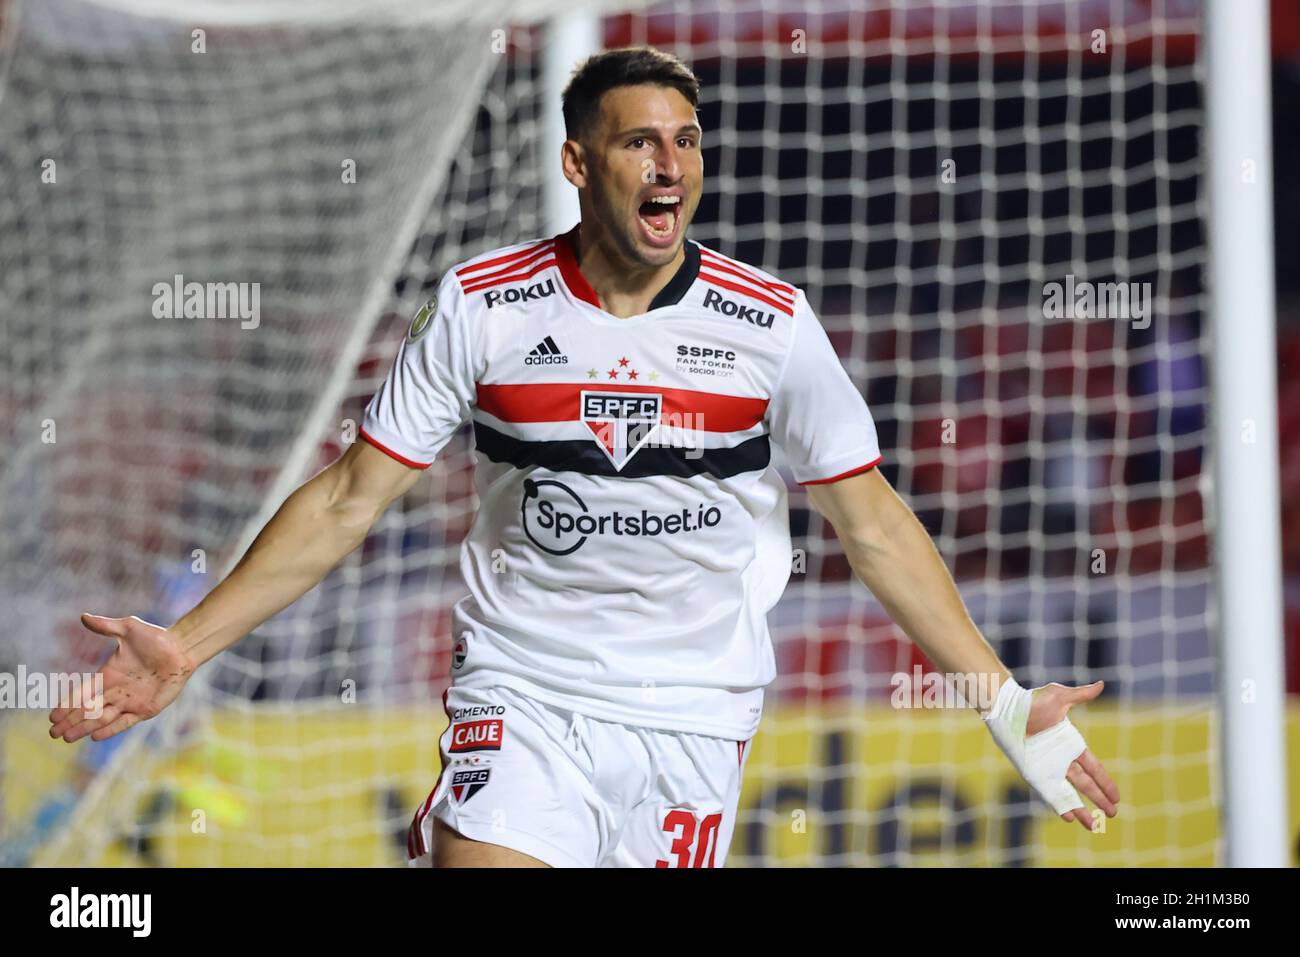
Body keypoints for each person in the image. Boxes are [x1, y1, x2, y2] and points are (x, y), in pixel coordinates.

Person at [49, 46, 1119, 868]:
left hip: (692, 719)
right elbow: (345, 501)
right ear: (576, 161)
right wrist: (185, 645)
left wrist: (1003, 703)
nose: (671, 166)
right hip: (523, 696)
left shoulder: (769, 327)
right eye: (640, 143)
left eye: (687, 141)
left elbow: (873, 527)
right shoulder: (483, 308)